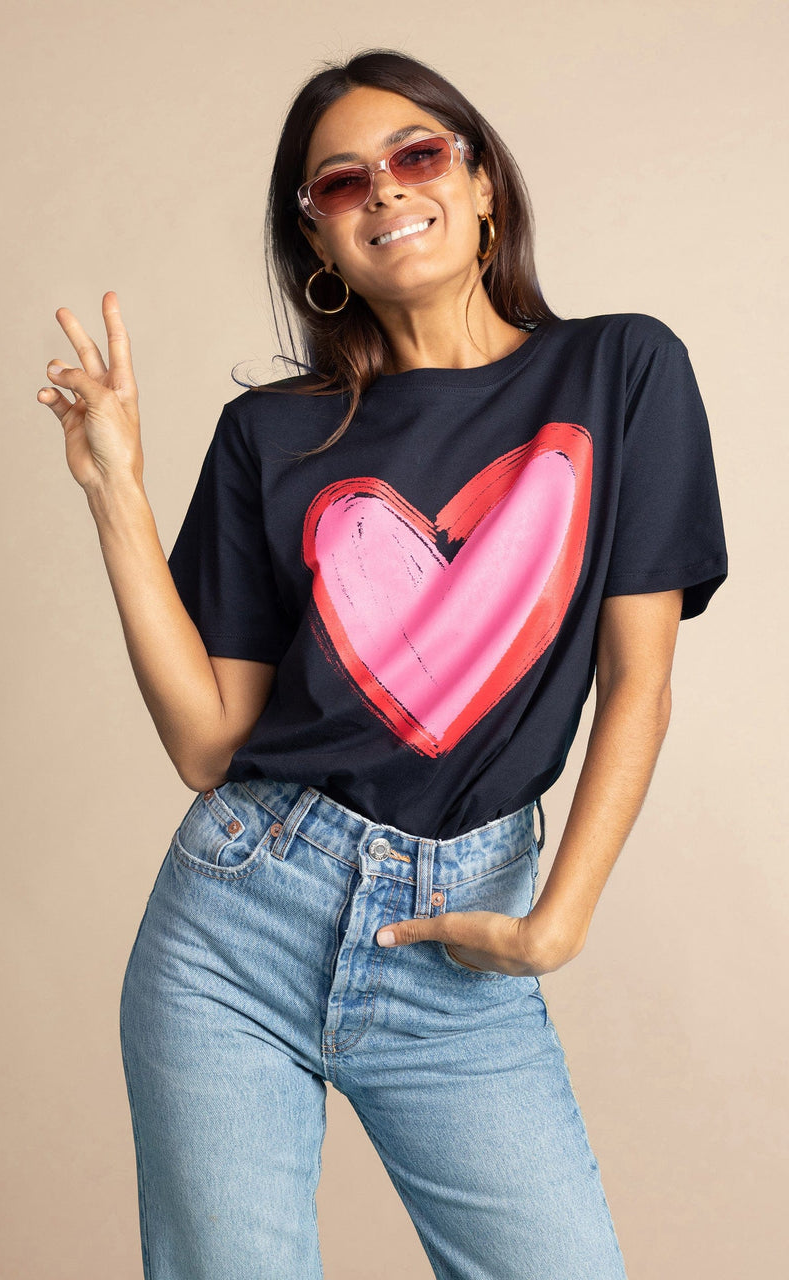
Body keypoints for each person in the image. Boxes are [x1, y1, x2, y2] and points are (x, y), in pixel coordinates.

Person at [37, 47, 727, 1280]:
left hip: (457, 931)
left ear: (481, 189)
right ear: (317, 239)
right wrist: (117, 493)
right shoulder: (273, 433)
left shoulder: (620, 373)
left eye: (416, 155)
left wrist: (553, 922)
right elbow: (207, 740)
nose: (383, 191)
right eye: (338, 182)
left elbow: (640, 680)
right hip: (235, 923)